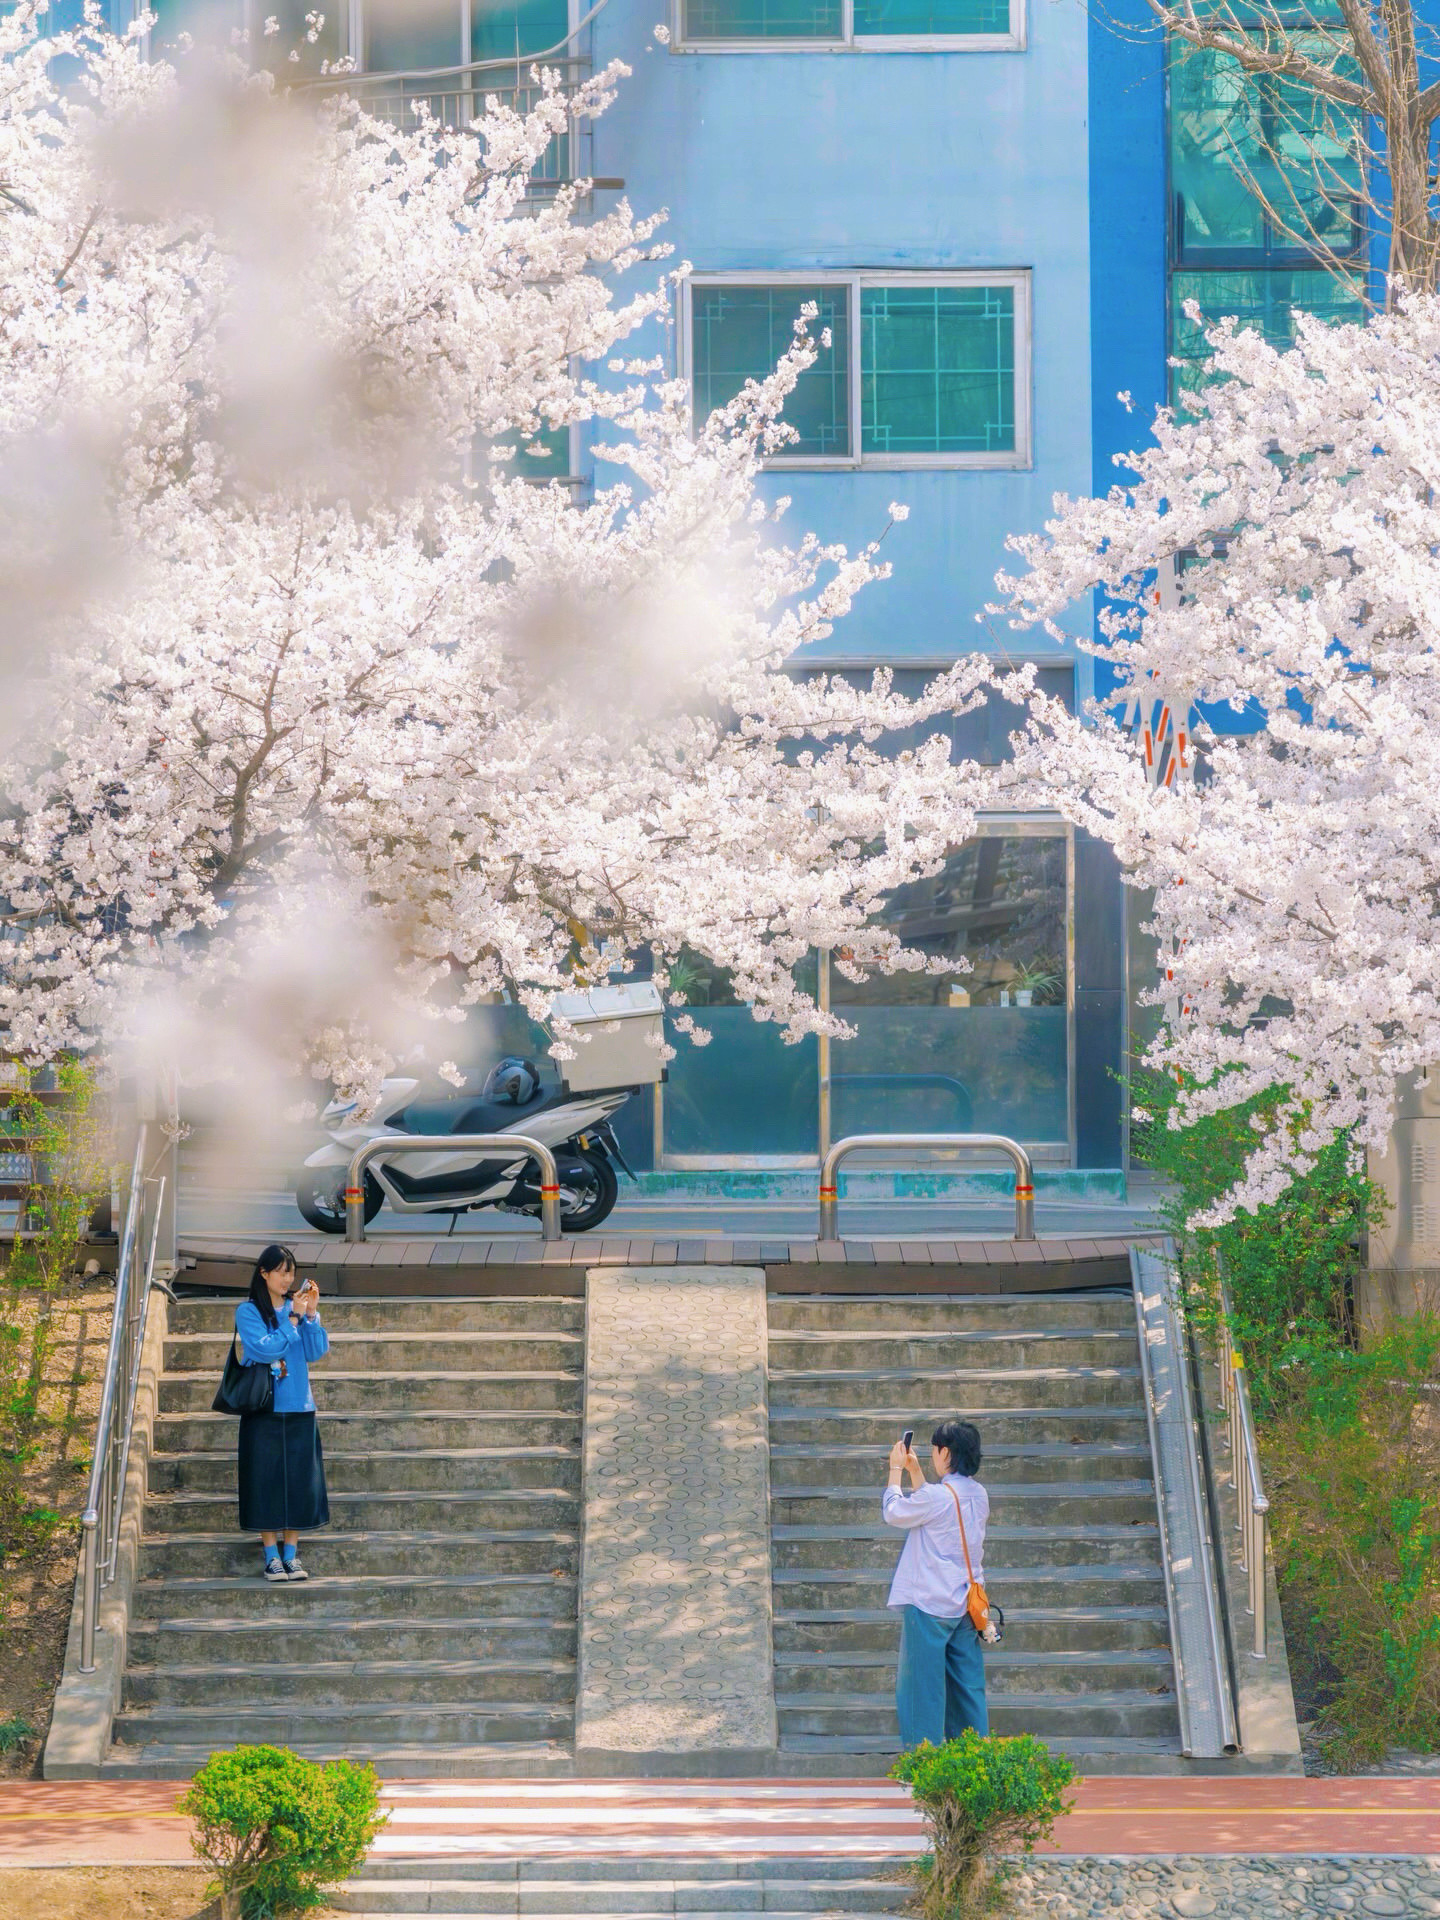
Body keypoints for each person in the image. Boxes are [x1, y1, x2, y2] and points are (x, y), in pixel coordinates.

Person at [882, 1417, 990, 1748]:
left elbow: (895, 1513)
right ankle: (973, 1755)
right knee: (966, 1686)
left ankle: (925, 1762)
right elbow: (939, 1504)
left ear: (945, 1452)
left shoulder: (938, 1498)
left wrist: (896, 1471)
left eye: (934, 1450)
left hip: (929, 1602)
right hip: (966, 1603)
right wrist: (917, 1472)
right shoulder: (979, 1494)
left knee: (921, 1688)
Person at [234, 1243, 331, 1582]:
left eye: (291, 1272)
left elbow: (316, 1351)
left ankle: (291, 1555)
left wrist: (310, 1315)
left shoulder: (297, 1308)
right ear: (264, 1273)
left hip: (300, 1406)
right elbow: (263, 1350)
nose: (287, 1279)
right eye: (281, 1271)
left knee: (300, 1484)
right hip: (263, 1407)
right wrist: (290, 1322)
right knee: (265, 1481)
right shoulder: (249, 1312)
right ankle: (271, 1556)